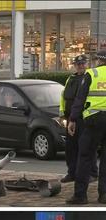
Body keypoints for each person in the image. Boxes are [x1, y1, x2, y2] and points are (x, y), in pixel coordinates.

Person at [67, 51, 106, 204]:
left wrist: (72, 119)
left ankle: (80, 196)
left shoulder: (92, 74)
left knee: (85, 156)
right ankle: (104, 195)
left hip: (94, 120)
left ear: (98, 61)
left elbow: (80, 98)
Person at [59, 54, 95, 183]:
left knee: (86, 147)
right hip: (71, 118)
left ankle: (91, 173)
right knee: (71, 147)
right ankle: (72, 173)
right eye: (78, 64)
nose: (80, 66)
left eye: (83, 64)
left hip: (84, 118)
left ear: (87, 64)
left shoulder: (89, 77)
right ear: (75, 65)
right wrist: (62, 113)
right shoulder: (71, 78)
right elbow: (64, 97)